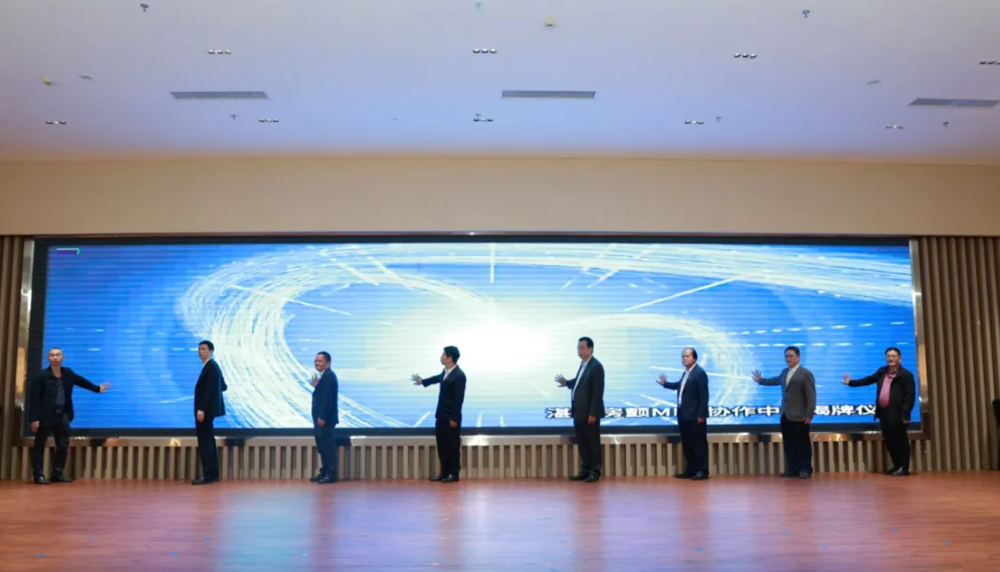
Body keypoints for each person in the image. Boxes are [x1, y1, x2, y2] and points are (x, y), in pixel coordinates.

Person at [27, 348, 110, 485]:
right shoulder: (41, 376)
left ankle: (57, 473)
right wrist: (34, 418)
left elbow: (81, 381)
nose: (55, 357)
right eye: (52, 355)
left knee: (63, 445)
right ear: (48, 358)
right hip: (44, 416)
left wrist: (97, 388)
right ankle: (38, 475)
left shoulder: (68, 373)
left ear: (63, 358)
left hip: (62, 415)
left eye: (58, 355)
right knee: (39, 446)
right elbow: (34, 399)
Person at [842, 346, 916, 476]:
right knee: (889, 441)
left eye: (893, 356)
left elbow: (910, 396)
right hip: (883, 412)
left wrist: (906, 414)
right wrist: (850, 383)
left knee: (901, 441)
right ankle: (896, 465)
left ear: (899, 358)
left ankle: (904, 467)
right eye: (888, 356)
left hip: (898, 414)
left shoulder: (906, 375)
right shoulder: (882, 371)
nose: (891, 358)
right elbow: (868, 380)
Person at [752, 346, 817, 479]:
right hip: (786, 415)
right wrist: (761, 380)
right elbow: (775, 381)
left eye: (791, 356)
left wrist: (809, 414)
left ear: (798, 357)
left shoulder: (805, 373)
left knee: (802, 444)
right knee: (789, 443)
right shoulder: (784, 372)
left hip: (800, 416)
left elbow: (811, 396)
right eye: (786, 356)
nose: (788, 358)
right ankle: (792, 469)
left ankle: (805, 469)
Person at [554, 337, 606, 483]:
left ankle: (595, 472)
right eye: (578, 348)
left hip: (589, 413)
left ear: (591, 349)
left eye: (582, 348)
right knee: (582, 443)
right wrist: (567, 383)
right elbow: (579, 383)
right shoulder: (583, 365)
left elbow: (597, 392)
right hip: (579, 412)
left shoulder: (596, 366)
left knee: (593, 444)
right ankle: (585, 470)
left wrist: (593, 413)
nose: (580, 351)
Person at [412, 346, 466, 483]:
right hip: (441, 415)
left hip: (451, 417)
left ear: (450, 358)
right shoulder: (445, 372)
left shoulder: (459, 375)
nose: (441, 357)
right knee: (442, 445)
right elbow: (437, 378)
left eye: (443, 355)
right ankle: (444, 472)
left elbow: (459, 399)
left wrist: (454, 418)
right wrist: (423, 381)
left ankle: (453, 473)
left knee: (452, 446)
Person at [657, 347, 709, 480]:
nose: (684, 358)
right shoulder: (686, 372)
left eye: (687, 356)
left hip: (695, 417)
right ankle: (691, 469)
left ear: (694, 358)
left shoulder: (699, 373)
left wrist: (702, 415)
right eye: (683, 356)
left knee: (698, 444)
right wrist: (665, 384)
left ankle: (702, 470)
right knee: (688, 444)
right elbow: (680, 385)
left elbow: (704, 396)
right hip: (684, 414)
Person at [193, 340, 227, 485]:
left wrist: (202, 408)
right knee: (208, 441)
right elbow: (223, 386)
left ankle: (208, 475)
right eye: (199, 349)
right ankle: (213, 474)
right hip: (208, 410)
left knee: (205, 442)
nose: (200, 351)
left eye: (203, 349)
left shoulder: (211, 367)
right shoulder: (212, 367)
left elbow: (209, 391)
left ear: (211, 351)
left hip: (205, 411)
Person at [309, 351, 339, 484]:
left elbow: (327, 399)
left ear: (328, 363)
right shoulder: (324, 377)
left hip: (325, 419)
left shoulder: (329, 376)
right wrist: (317, 386)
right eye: (316, 361)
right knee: (322, 446)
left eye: (320, 361)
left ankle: (330, 474)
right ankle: (325, 472)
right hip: (320, 419)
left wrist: (322, 416)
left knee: (327, 447)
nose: (317, 363)